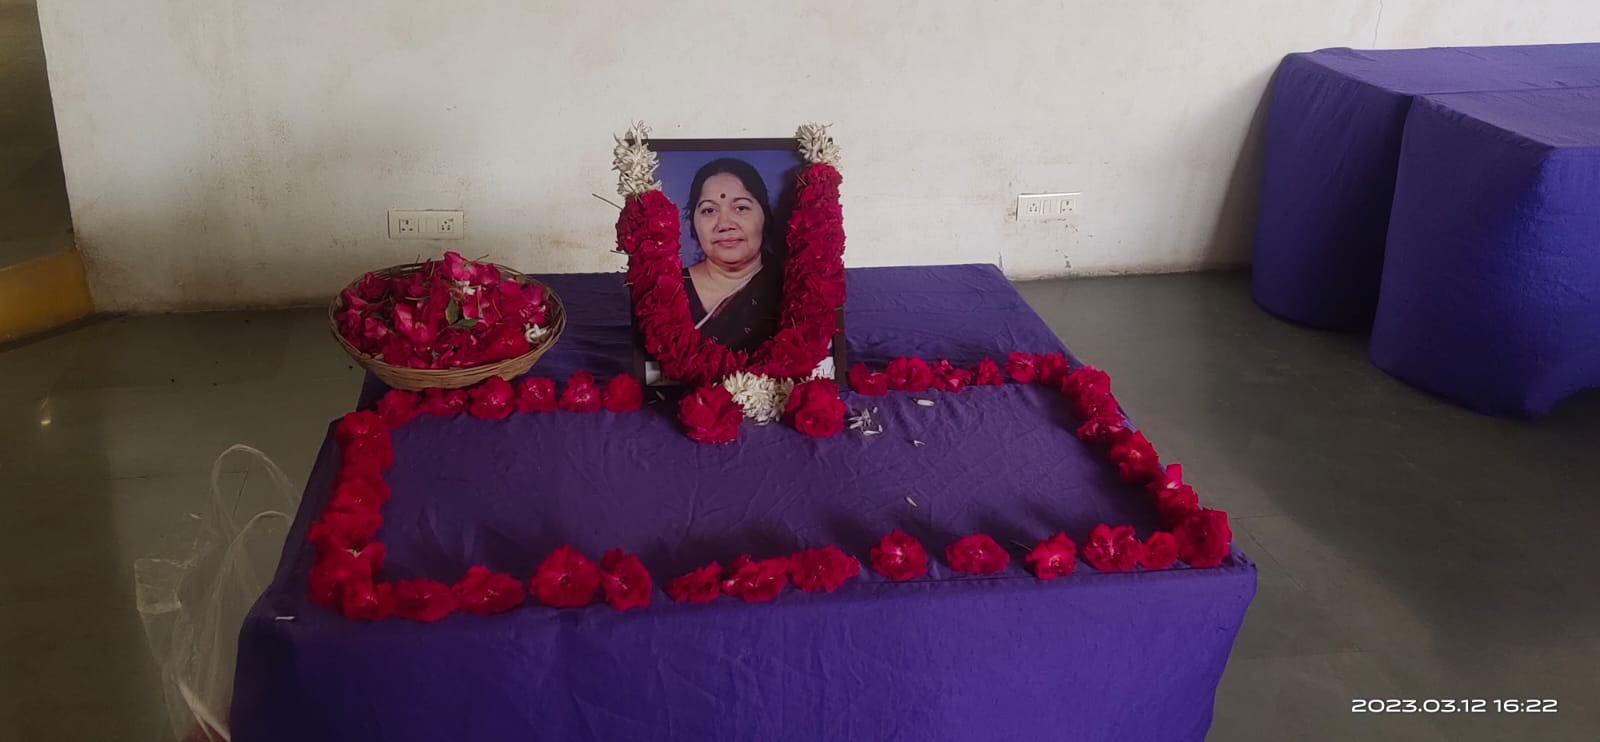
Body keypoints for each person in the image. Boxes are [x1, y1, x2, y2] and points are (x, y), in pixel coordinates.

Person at [681, 157, 785, 352]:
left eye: (741, 208)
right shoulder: (668, 291)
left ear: (765, 216)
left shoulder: (794, 288)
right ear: (693, 223)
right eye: (709, 210)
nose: (724, 224)